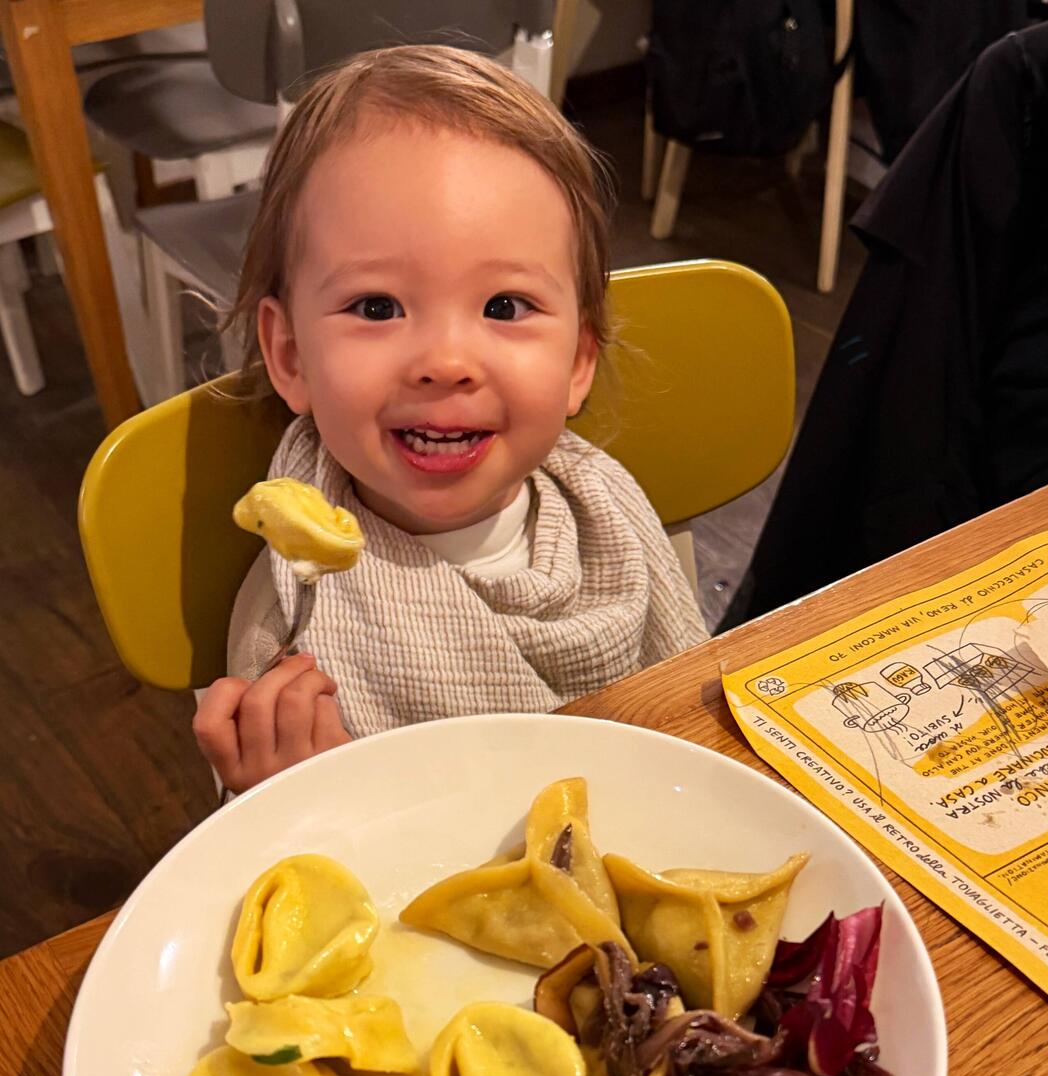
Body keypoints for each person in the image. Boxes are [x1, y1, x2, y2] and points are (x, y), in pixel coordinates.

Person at [193, 45, 708, 795]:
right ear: (292, 355)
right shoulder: (293, 614)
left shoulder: (609, 515)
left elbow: (691, 722)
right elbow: (281, 847)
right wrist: (277, 788)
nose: (446, 362)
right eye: (377, 307)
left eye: (505, 306)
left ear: (577, 361)